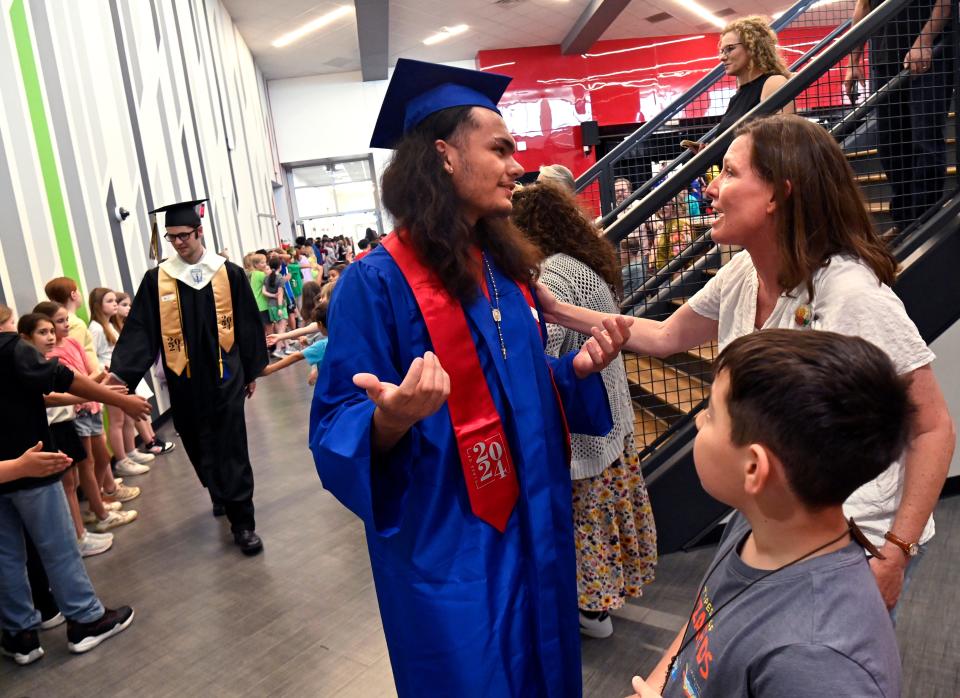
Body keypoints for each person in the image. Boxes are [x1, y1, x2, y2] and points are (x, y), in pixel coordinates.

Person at [541, 114, 955, 616]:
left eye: (731, 173)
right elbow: (665, 335)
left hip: (855, 537)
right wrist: (558, 310)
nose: (711, 188)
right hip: (786, 520)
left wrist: (896, 551)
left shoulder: (851, 297)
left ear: (778, 194)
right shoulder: (743, 271)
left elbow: (932, 426)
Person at [310, 58, 631, 698]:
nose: (519, 165)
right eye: (502, 148)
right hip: (449, 540)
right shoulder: (374, 284)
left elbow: (515, 383)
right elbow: (335, 423)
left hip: (533, 523)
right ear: (445, 157)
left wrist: (571, 371)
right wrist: (390, 416)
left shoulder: (504, 269)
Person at [627, 329, 905, 697]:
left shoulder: (818, 661)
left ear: (755, 468)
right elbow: (705, 623)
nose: (697, 422)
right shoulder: (757, 524)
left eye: (710, 414)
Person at [512, 182, 657, 640]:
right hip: (613, 413)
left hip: (587, 427)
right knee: (608, 516)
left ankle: (592, 612)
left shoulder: (551, 274)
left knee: (587, 522)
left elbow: (546, 351)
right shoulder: (582, 263)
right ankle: (603, 601)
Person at [109, 199, 269, 555]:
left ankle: (243, 522)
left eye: (183, 235)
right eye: (171, 237)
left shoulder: (228, 273)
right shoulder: (157, 280)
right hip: (183, 380)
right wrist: (121, 373)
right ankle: (218, 490)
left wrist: (252, 368)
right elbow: (140, 330)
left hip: (225, 375)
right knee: (196, 440)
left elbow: (245, 321)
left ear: (199, 232)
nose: (178, 243)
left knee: (231, 445)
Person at [0, 309, 150, 664]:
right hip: (33, 465)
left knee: (6, 556)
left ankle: (20, 634)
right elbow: (61, 377)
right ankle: (85, 619)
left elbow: (45, 393)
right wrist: (120, 399)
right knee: (59, 546)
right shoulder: (10, 349)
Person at [844, 0, 954, 233]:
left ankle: (924, 221)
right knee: (890, 144)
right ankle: (904, 222)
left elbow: (944, 3)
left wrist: (923, 42)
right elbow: (863, 6)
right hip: (884, 60)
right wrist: (853, 61)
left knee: (924, 141)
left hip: (930, 57)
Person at [684, 16, 792, 156]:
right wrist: (712, 153)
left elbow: (784, 145)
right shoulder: (736, 97)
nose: (722, 57)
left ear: (753, 47)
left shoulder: (773, 83)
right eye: (722, 51)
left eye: (730, 49)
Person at [111, 292, 175, 456]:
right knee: (120, 420)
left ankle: (150, 439)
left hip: (125, 376)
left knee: (136, 411)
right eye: (123, 304)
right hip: (116, 378)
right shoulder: (100, 329)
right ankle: (132, 452)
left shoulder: (121, 326)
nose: (128, 308)